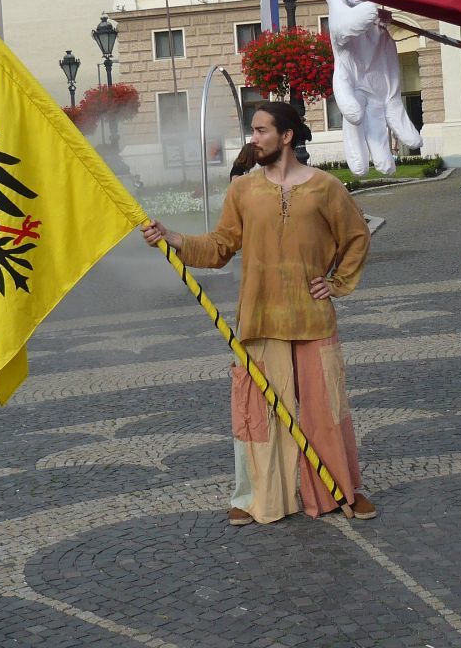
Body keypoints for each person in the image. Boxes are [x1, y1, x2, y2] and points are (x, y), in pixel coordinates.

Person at [142, 102, 376, 527]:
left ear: (287, 137)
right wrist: (172, 237)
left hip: (312, 318)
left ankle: (342, 487)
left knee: (326, 409)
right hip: (260, 318)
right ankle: (256, 495)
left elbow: (356, 236)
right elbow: (219, 247)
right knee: (259, 416)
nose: (255, 138)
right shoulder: (243, 191)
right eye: (254, 130)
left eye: (262, 130)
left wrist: (337, 282)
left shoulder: (325, 187)